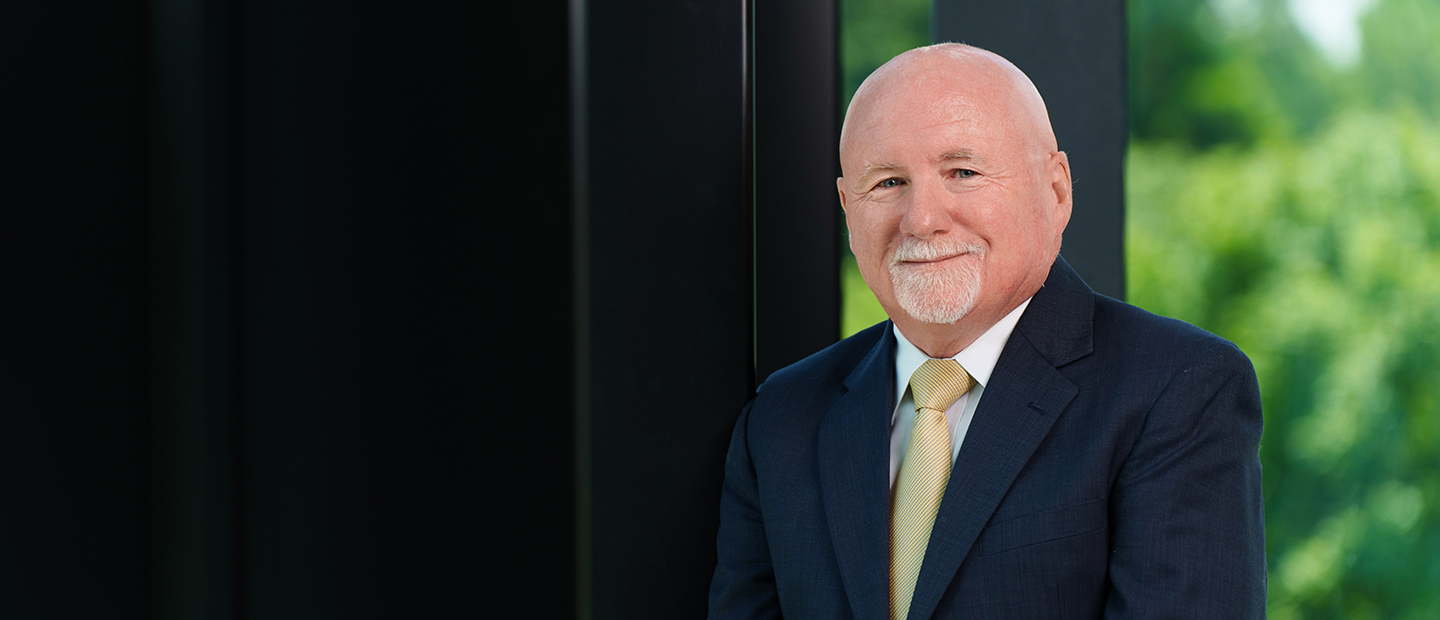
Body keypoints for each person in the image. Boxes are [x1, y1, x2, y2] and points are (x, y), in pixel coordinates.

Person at [707, 43, 1265, 620]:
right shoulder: (781, 419)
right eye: (889, 183)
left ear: (1056, 191)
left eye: (963, 172)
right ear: (849, 209)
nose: (922, 218)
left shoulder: (1179, 391)